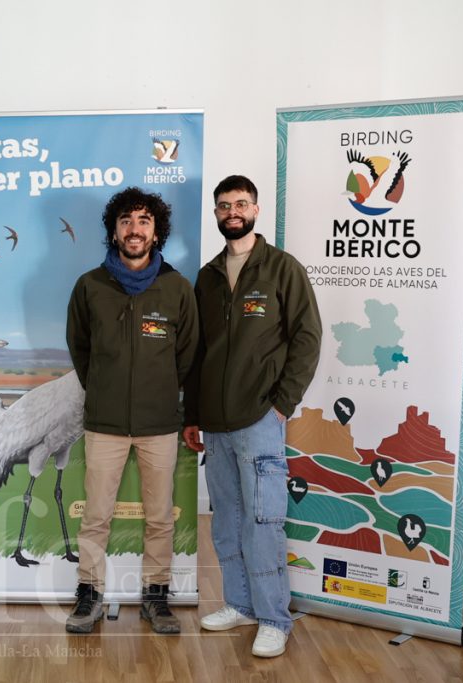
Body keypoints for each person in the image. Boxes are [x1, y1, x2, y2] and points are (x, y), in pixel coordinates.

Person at [183, 175, 321, 657]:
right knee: (227, 521)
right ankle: (240, 604)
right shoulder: (207, 276)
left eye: (241, 204)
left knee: (263, 522)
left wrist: (283, 403)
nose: (233, 212)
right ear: (216, 214)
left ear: (256, 210)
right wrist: (193, 414)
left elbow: (307, 339)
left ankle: (274, 618)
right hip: (215, 424)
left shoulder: (282, 268)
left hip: (260, 417)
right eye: (224, 206)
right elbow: (197, 352)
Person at [65, 186, 199, 634]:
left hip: (158, 424)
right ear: (114, 231)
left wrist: (159, 393)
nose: (134, 229)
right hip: (104, 424)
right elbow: (80, 349)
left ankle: (156, 597)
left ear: (156, 231)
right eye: (126, 221)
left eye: (143, 221)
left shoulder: (177, 288)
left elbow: (187, 355)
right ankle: (89, 595)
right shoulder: (89, 286)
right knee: (96, 516)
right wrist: (105, 389)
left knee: (160, 517)